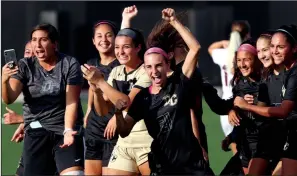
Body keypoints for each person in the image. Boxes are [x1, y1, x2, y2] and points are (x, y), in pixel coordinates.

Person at [111, 8, 210, 174]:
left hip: (192, 164)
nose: (154, 71)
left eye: (158, 66)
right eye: (149, 67)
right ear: (144, 68)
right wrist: (118, 114)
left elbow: (195, 48)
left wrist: (173, 22)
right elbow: (124, 130)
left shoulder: (179, 83)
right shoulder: (143, 98)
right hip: (163, 166)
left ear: (167, 64)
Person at [1, 23, 84, 175]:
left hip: (64, 131)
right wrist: (4, 80)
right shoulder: (24, 65)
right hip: (36, 131)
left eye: (43, 40)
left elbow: (71, 102)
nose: (37, 44)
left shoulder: (69, 64)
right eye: (34, 40)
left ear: (54, 44)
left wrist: (67, 130)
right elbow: (9, 98)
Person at [82, 5, 153, 175]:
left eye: (108, 36)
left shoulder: (142, 69)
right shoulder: (113, 70)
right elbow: (101, 106)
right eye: (99, 36)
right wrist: (95, 93)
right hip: (109, 136)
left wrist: (101, 83)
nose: (120, 52)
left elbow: (126, 102)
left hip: (135, 136)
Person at [234, 24, 297, 176]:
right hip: (271, 138)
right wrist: (237, 108)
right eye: (259, 51)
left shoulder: (291, 73)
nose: (264, 54)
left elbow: (283, 111)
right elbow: (260, 112)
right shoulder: (265, 79)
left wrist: (247, 106)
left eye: (266, 49)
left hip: (289, 136)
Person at [83, 20, 120, 176]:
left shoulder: (121, 65)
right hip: (93, 132)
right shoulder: (92, 64)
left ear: (116, 38)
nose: (103, 40)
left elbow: (126, 97)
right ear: (93, 41)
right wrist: (88, 111)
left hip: (113, 133)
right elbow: (93, 89)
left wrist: (117, 117)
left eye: (108, 35)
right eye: (99, 36)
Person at [208, 21, 251, 145]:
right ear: (247, 35)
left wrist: (222, 43)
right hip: (243, 104)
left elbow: (210, 49)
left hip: (225, 107)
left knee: (236, 152)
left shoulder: (224, 54)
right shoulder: (249, 55)